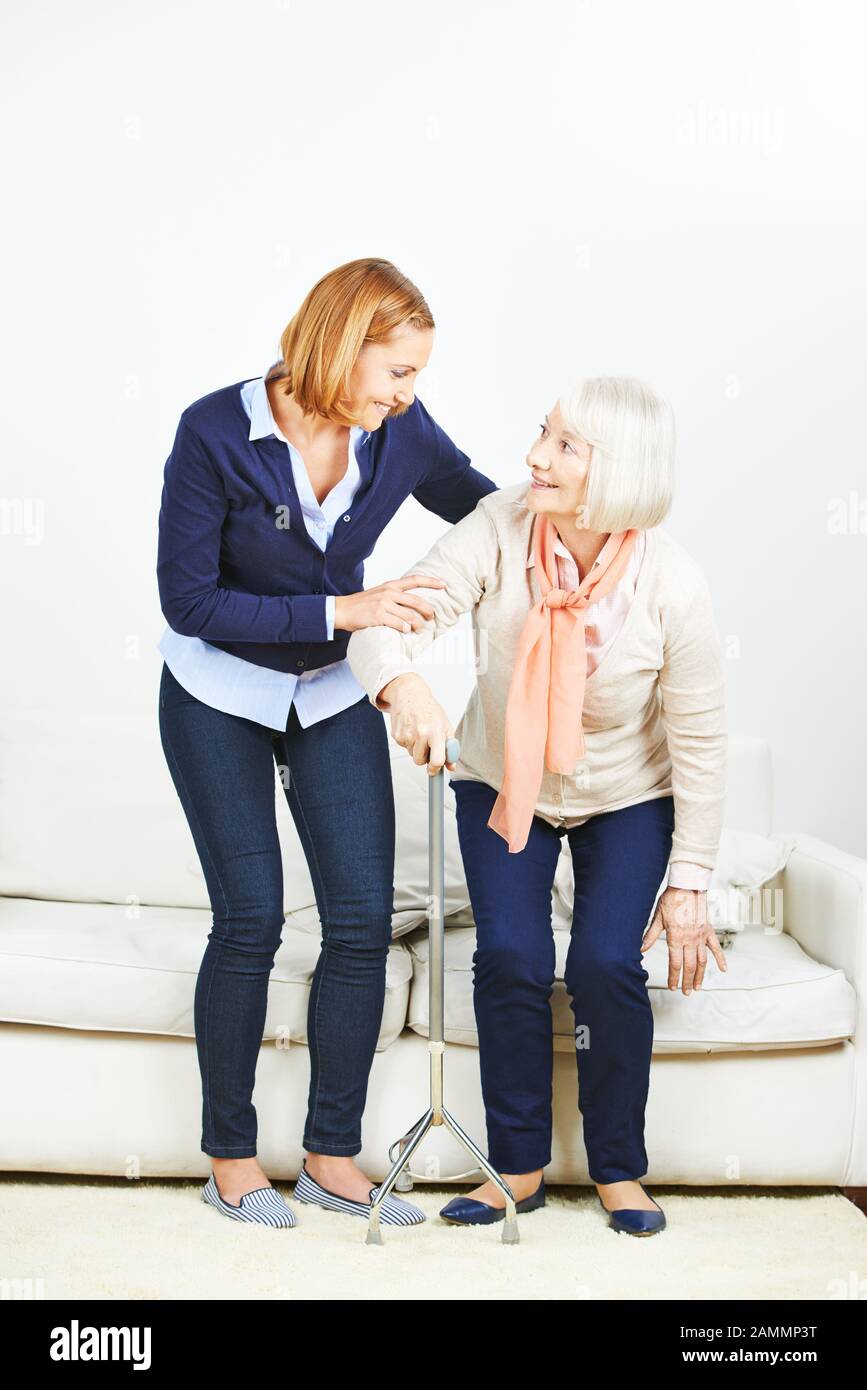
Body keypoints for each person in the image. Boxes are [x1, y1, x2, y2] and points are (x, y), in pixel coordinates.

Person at [156, 257, 498, 1228]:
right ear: (342, 348)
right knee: (252, 918)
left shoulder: (398, 435)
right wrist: (346, 607)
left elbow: (482, 508)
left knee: (357, 924)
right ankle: (230, 1159)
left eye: (417, 377)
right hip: (215, 692)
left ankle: (330, 1155)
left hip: (331, 691)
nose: (408, 396)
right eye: (397, 373)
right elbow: (188, 600)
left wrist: (570, 524)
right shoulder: (215, 432)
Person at [346, 375, 728, 1236]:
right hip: (500, 776)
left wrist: (690, 880)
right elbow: (386, 618)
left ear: (617, 470)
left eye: (563, 445)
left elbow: (700, 743)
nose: (532, 458)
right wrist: (400, 681)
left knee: (602, 967)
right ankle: (515, 1169)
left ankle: (619, 1170)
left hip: (626, 796)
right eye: (541, 434)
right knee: (512, 960)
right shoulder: (499, 526)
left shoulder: (673, 585)